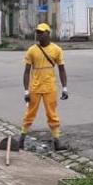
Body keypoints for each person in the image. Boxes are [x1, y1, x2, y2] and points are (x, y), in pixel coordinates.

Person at [19, 23, 68, 151]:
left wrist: (65, 88)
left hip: (50, 87)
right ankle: (21, 139)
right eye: (37, 32)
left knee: (52, 115)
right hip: (35, 88)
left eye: (41, 32)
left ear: (48, 33)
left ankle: (57, 141)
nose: (38, 35)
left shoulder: (57, 50)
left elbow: (62, 70)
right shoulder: (32, 50)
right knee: (29, 114)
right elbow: (26, 72)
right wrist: (26, 91)